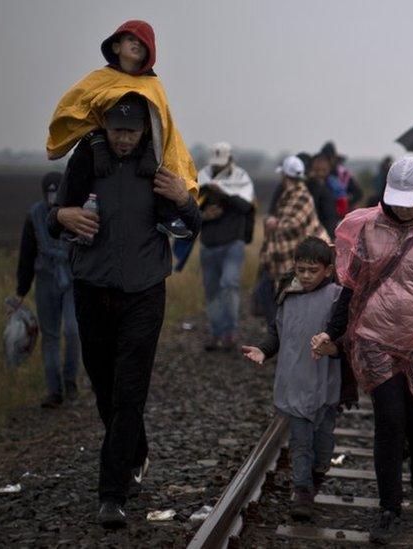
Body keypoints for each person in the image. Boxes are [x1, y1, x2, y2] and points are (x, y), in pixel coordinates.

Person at [47, 94, 201, 529]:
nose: (124, 139)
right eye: (117, 130)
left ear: (144, 132)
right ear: (106, 128)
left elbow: (191, 227)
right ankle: (135, 453)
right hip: (92, 288)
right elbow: (51, 220)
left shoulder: (159, 166)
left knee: (129, 392)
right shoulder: (85, 160)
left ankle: (112, 495)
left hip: (144, 293)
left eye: (132, 132)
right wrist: (64, 216)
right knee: (105, 388)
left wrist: (185, 202)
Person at [311, 156, 413, 544]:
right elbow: (351, 287)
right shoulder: (370, 228)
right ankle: (389, 507)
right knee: (389, 422)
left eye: (409, 199)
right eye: (396, 199)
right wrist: (331, 334)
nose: (402, 207)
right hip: (376, 338)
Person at [46, 20, 198, 240]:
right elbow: (77, 109)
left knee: (164, 169)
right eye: (130, 39)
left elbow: (162, 124)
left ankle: (166, 217)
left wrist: (151, 149)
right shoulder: (98, 79)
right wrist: (96, 141)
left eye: (142, 42)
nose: (136, 44)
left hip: (144, 144)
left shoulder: (153, 85)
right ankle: (73, 218)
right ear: (117, 46)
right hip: (99, 139)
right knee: (81, 163)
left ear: (150, 51)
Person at [242, 237, 344, 521]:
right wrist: (263, 350)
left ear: (328, 270)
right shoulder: (287, 295)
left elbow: (346, 340)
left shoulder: (337, 296)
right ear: (294, 268)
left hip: (326, 384)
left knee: (323, 445)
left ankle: (317, 473)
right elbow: (278, 332)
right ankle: (302, 491)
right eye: (301, 270)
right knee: (300, 443)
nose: (307, 276)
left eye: (313, 270)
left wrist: (333, 348)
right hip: (296, 381)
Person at [14, 172, 80, 409]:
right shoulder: (34, 215)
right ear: (43, 193)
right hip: (45, 280)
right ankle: (54, 391)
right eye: (49, 192)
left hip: (73, 280)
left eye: (57, 191)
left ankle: (71, 380)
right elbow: (27, 254)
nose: (53, 197)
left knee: (73, 331)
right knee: (50, 337)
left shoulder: (76, 211)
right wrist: (21, 290)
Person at [197, 142, 255, 352]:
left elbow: (246, 206)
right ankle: (216, 332)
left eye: (222, 164)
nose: (218, 168)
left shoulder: (242, 179)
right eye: (215, 164)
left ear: (230, 160)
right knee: (212, 291)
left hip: (233, 243)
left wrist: (223, 192)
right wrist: (204, 215)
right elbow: (189, 210)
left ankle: (229, 332)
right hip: (208, 245)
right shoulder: (201, 178)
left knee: (229, 284)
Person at [260, 156, 330, 310]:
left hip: (302, 258)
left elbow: (292, 224)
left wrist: (274, 223)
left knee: (296, 299)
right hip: (301, 258)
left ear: (285, 176)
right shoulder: (294, 194)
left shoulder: (300, 195)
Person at [267, 152, 339, 239]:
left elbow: (274, 213)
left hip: (305, 241)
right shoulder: (319, 188)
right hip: (313, 239)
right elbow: (330, 218)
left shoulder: (315, 189)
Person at [321, 141, 363, 211]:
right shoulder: (318, 175)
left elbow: (358, 194)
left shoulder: (343, 174)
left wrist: (346, 201)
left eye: (329, 158)